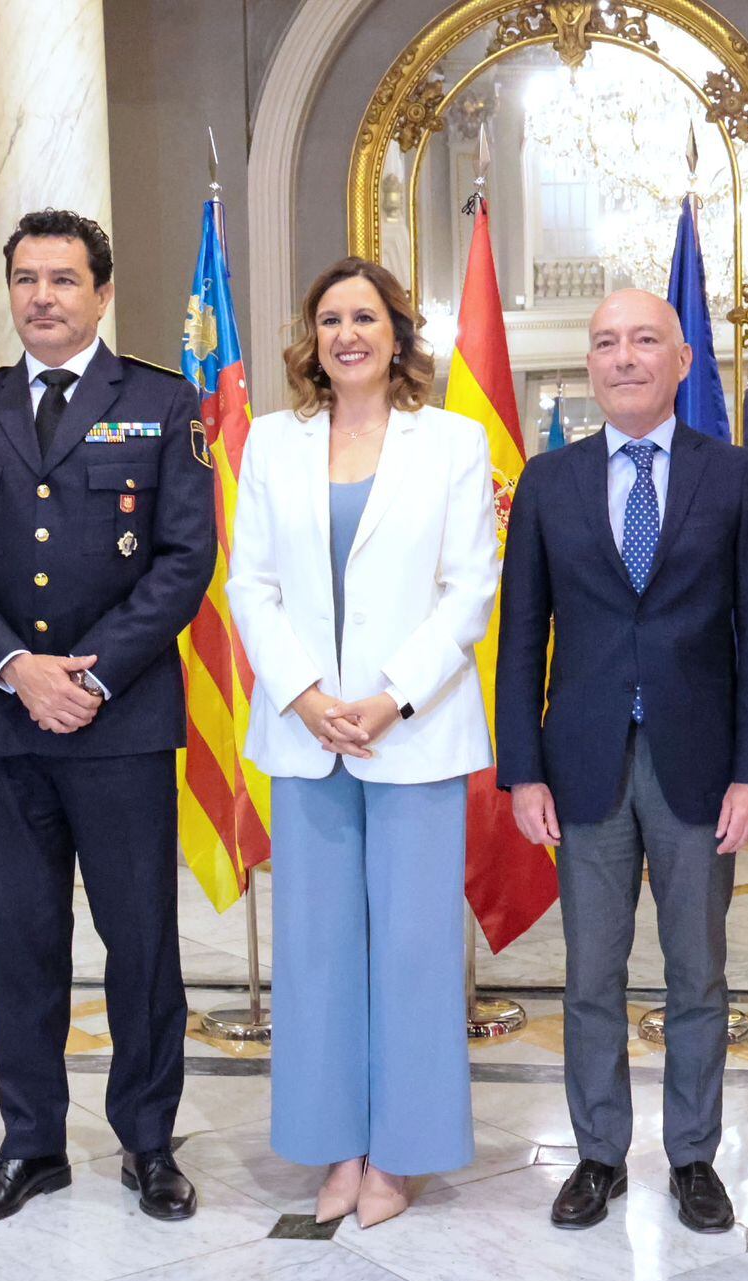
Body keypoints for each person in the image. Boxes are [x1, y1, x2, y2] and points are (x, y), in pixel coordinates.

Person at [0, 208, 214, 1226]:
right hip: (8, 728)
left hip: (121, 723)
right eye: (25, 279)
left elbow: (184, 560)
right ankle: (30, 1144)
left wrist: (88, 676)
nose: (41, 295)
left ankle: (147, 1143)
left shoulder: (164, 406)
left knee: (139, 944)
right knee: (22, 940)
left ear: (101, 292)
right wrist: (15, 668)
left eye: (62, 279)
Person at [498, 289, 748, 1234]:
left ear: (681, 360)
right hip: (581, 765)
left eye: (645, 341)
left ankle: (696, 1156)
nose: (624, 357)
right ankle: (597, 1155)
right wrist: (522, 770)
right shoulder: (548, 482)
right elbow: (521, 637)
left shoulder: (734, 476)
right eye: (606, 343)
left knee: (697, 971)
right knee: (590, 973)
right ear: (590, 364)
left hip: (701, 769)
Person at [227, 257, 498, 1229]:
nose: (348, 333)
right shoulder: (268, 443)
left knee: (418, 948)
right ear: (313, 336)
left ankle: (403, 1151)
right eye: (330, 317)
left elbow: (467, 589)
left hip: (410, 735)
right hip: (304, 735)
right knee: (316, 948)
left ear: (397, 332)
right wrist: (303, 694)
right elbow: (248, 583)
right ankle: (335, 1143)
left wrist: (389, 699)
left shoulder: (454, 443)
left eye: (366, 316)